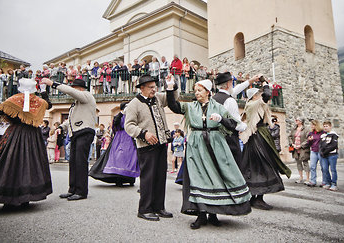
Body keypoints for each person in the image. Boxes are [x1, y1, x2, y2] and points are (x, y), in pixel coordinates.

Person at [166, 77, 251, 229]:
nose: (196, 93)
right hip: (196, 146)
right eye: (195, 91)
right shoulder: (190, 107)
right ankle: (201, 215)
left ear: (208, 92)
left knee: (216, 178)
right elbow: (174, 106)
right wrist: (170, 88)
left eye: (199, 91)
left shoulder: (218, 107)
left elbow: (233, 124)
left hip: (215, 144)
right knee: (198, 178)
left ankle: (213, 214)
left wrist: (221, 120)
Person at [0, 78, 52, 208]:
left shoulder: (13, 100)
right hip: (33, 135)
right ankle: (27, 197)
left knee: (9, 162)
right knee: (31, 163)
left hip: (16, 133)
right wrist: (43, 92)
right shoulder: (39, 102)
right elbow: (49, 104)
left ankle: (8, 197)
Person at [124, 75, 176, 222]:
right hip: (146, 146)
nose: (154, 89)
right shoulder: (134, 104)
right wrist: (143, 133)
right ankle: (145, 209)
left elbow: (172, 98)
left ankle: (159, 207)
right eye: (151, 87)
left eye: (155, 86)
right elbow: (128, 126)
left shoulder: (158, 98)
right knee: (148, 178)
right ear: (142, 88)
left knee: (160, 177)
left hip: (161, 143)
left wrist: (171, 86)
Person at [41, 77, 97, 201]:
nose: (72, 89)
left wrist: (53, 84)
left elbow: (71, 92)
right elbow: (70, 119)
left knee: (80, 162)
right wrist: (61, 126)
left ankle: (81, 191)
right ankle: (72, 189)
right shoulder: (76, 104)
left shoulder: (86, 95)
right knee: (73, 162)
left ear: (80, 89)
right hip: (76, 133)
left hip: (85, 132)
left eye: (74, 87)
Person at [240, 83, 291, 210]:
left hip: (256, 137)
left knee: (254, 167)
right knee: (263, 165)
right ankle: (258, 199)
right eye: (258, 94)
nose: (261, 95)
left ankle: (254, 197)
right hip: (258, 137)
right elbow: (268, 95)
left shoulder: (254, 105)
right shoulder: (254, 104)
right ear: (254, 96)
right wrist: (266, 85)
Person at [213, 71, 258, 167]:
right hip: (229, 140)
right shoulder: (230, 101)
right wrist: (247, 126)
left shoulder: (213, 98)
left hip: (216, 139)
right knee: (234, 168)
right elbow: (237, 124)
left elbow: (235, 90)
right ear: (229, 84)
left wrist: (250, 81)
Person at [89, 102, 140, 186]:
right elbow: (115, 124)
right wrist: (121, 113)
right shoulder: (119, 116)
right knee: (118, 159)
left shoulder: (133, 116)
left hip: (130, 139)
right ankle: (118, 179)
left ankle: (131, 179)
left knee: (130, 159)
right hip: (119, 139)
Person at [319, 121, 339, 191]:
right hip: (324, 155)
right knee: (325, 169)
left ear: (330, 126)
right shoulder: (323, 135)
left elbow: (333, 145)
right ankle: (328, 182)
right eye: (324, 126)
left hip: (332, 154)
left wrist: (325, 151)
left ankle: (334, 183)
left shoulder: (334, 135)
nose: (325, 127)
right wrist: (322, 152)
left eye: (327, 126)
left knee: (333, 169)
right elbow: (321, 145)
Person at [290, 118, 310, 184]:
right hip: (295, 148)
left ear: (301, 121)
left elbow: (308, 139)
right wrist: (292, 144)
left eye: (297, 120)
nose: (296, 121)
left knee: (305, 162)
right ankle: (300, 177)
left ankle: (307, 178)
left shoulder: (306, 129)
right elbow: (290, 137)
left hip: (303, 148)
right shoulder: (294, 128)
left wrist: (301, 145)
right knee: (298, 163)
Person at [307, 120, 324, 187]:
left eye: (313, 125)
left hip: (320, 151)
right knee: (312, 166)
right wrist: (309, 140)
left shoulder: (322, 133)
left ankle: (324, 181)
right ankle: (313, 181)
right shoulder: (311, 133)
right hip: (313, 150)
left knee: (323, 167)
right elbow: (309, 143)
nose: (312, 126)